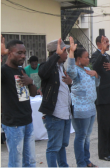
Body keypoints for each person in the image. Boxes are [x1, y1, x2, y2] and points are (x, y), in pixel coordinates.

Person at [1, 37, 37, 167]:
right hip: (13, 125)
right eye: (19, 53)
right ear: (9, 53)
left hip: (27, 121)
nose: (23, 56)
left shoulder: (21, 70)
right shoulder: (4, 71)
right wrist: (1, 54)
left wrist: (30, 82)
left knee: (30, 161)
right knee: (16, 163)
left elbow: (32, 93)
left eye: (24, 53)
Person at [38, 38, 73, 167]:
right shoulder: (46, 67)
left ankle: (63, 165)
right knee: (54, 146)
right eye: (65, 51)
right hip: (55, 115)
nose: (67, 54)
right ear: (56, 52)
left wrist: (70, 82)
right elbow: (43, 73)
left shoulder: (60, 67)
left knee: (62, 145)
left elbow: (63, 89)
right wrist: (56, 56)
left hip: (65, 113)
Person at [66, 37, 100, 167]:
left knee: (87, 136)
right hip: (80, 109)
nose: (88, 59)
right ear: (78, 59)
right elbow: (70, 70)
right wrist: (71, 53)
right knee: (80, 136)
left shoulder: (87, 70)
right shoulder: (76, 72)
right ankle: (81, 163)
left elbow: (97, 83)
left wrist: (96, 74)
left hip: (91, 107)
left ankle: (86, 160)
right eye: (86, 57)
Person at [90, 35, 110, 161]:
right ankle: (103, 153)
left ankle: (108, 149)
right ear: (99, 44)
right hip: (103, 97)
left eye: (108, 42)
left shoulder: (108, 57)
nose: (108, 44)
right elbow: (95, 67)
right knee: (103, 126)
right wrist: (102, 52)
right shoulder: (96, 55)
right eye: (105, 42)